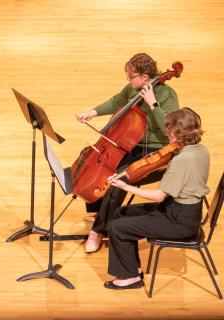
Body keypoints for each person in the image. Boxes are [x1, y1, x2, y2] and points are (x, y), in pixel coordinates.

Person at [75, 53, 179, 253]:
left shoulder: (167, 95)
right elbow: (116, 101)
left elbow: (170, 129)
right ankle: (97, 209)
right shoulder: (133, 88)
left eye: (131, 76)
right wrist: (92, 112)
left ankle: (98, 231)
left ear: (145, 77)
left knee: (117, 180)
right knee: (95, 162)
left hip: (157, 150)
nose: (128, 80)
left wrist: (152, 103)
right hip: (131, 144)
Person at [103, 107, 209, 289]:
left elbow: (159, 196)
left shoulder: (182, 159)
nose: (166, 133)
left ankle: (131, 278)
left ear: (180, 133)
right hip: (186, 211)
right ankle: (132, 268)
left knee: (117, 227)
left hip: (179, 221)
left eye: (170, 130)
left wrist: (125, 186)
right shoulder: (200, 150)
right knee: (122, 213)